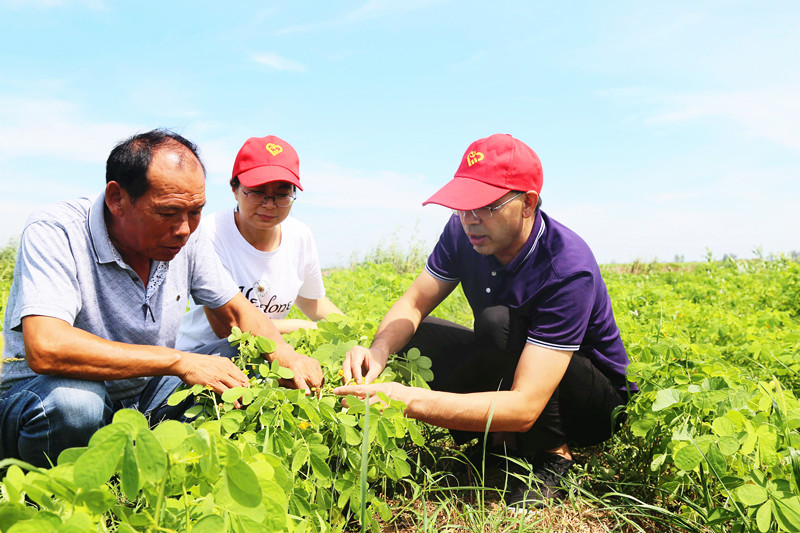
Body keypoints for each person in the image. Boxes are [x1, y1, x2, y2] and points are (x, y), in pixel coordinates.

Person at [334, 134, 634, 510]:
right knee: (415, 339)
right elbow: (413, 303)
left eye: (486, 206)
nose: (470, 219)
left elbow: (525, 404)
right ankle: (500, 442)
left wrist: (408, 400)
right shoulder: (464, 231)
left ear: (528, 203)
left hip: (592, 402)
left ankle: (555, 454)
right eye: (463, 205)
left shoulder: (566, 266)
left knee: (497, 324)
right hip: (518, 365)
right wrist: (378, 352)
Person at [0, 129, 323, 468]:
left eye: (196, 211)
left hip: (142, 394)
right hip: (45, 397)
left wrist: (285, 354)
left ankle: (153, 464)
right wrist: (179, 362)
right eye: (167, 213)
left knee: (248, 356)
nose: (184, 228)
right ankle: (53, 491)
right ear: (117, 199)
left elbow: (237, 313)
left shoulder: (185, 237)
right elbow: (47, 347)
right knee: (77, 405)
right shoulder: (58, 230)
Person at [176, 135, 342, 354]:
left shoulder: (300, 236)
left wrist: (352, 331)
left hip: (269, 351)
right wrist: (305, 328)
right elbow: (228, 329)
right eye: (257, 193)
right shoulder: (211, 233)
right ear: (234, 188)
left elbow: (313, 303)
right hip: (208, 353)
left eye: (282, 195)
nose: (269, 205)